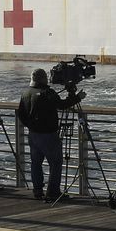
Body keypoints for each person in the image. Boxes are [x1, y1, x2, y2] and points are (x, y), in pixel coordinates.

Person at [16, 69, 82, 203]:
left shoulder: (25, 93)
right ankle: (53, 193)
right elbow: (62, 105)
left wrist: (30, 125)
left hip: (33, 135)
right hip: (48, 135)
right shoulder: (47, 92)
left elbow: (21, 114)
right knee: (56, 163)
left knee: (36, 163)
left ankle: (38, 191)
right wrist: (77, 97)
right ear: (43, 79)